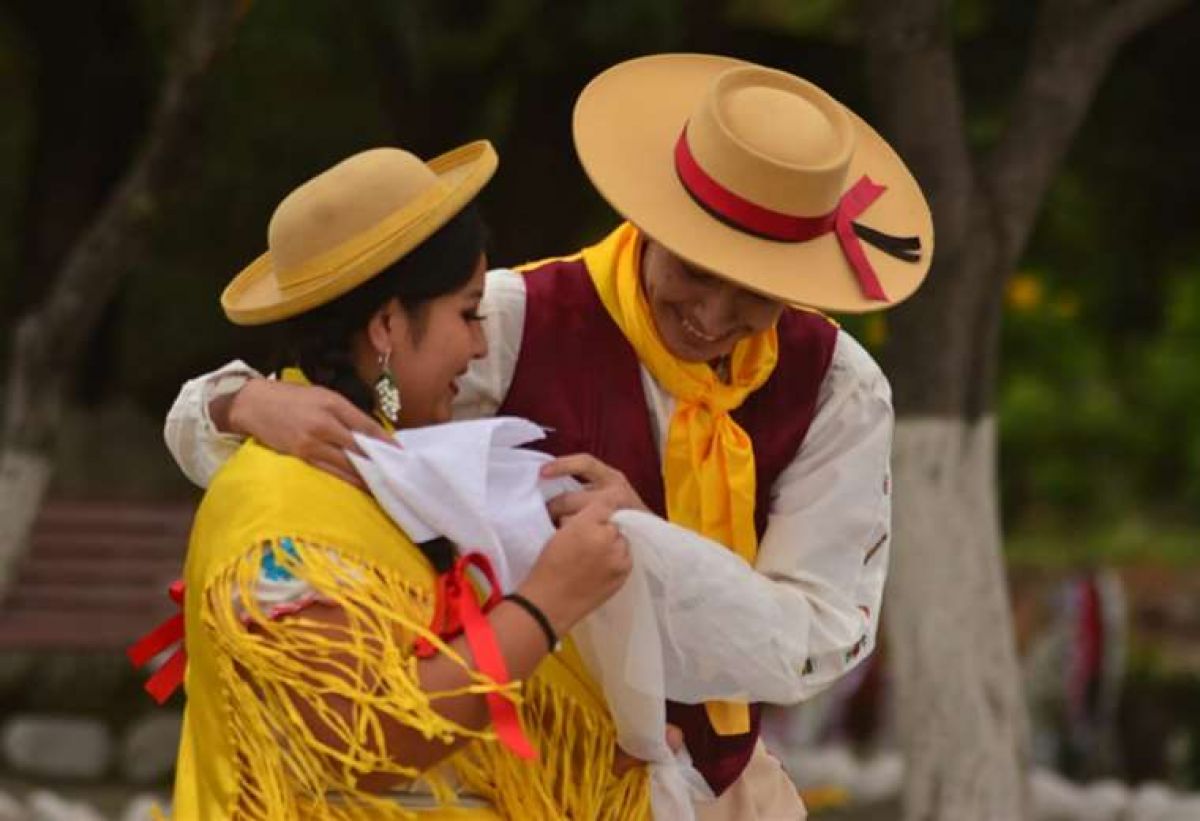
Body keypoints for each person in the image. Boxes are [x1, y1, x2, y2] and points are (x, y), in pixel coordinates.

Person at [166, 54, 933, 819]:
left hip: (717, 788)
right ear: (653, 221)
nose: (712, 312)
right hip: (522, 771)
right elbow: (341, 400)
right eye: (696, 271)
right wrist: (240, 399)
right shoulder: (511, 318)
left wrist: (644, 550)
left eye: (756, 296)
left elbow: (820, 637)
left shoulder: (839, 387)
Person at [164, 141, 656, 819]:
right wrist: (548, 602)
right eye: (468, 312)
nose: (481, 345)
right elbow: (364, 741)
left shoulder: (393, 470)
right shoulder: (280, 512)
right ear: (388, 324)